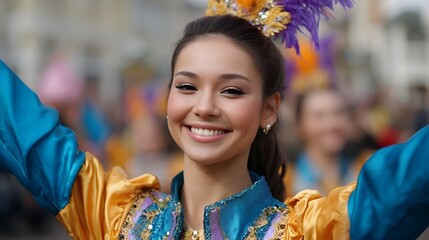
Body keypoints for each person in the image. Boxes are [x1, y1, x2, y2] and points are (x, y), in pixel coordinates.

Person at [1, 1, 429, 240]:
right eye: (186, 86)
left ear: (270, 109)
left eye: (232, 90)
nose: (204, 106)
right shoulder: (113, 216)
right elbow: (23, 128)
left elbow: (407, 181)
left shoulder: (312, 231)